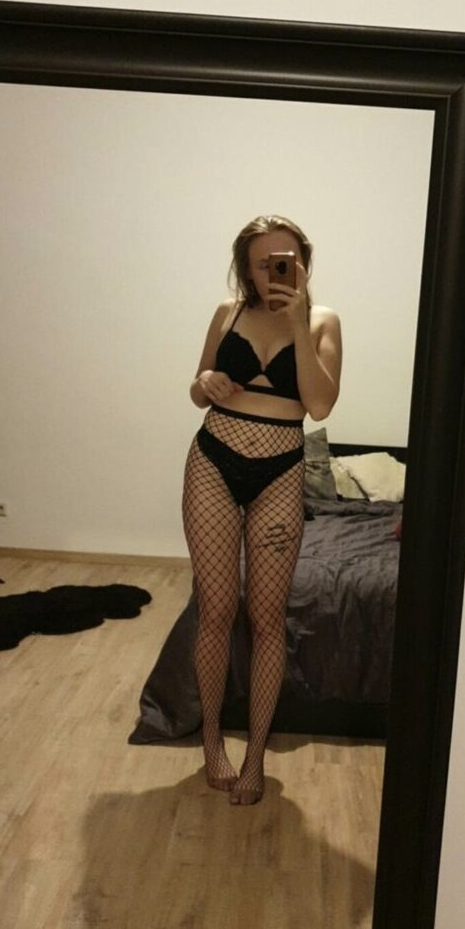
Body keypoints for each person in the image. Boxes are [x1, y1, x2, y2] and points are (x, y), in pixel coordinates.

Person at [182, 214, 342, 805]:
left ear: (303, 262)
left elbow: (320, 405)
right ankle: (211, 741)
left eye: (289, 260)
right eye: (264, 262)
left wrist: (297, 324)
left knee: (268, 617)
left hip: (280, 470)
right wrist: (206, 381)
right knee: (216, 608)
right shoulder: (227, 313)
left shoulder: (323, 321)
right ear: (246, 268)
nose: (277, 271)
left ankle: (255, 756)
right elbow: (196, 389)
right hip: (213, 459)